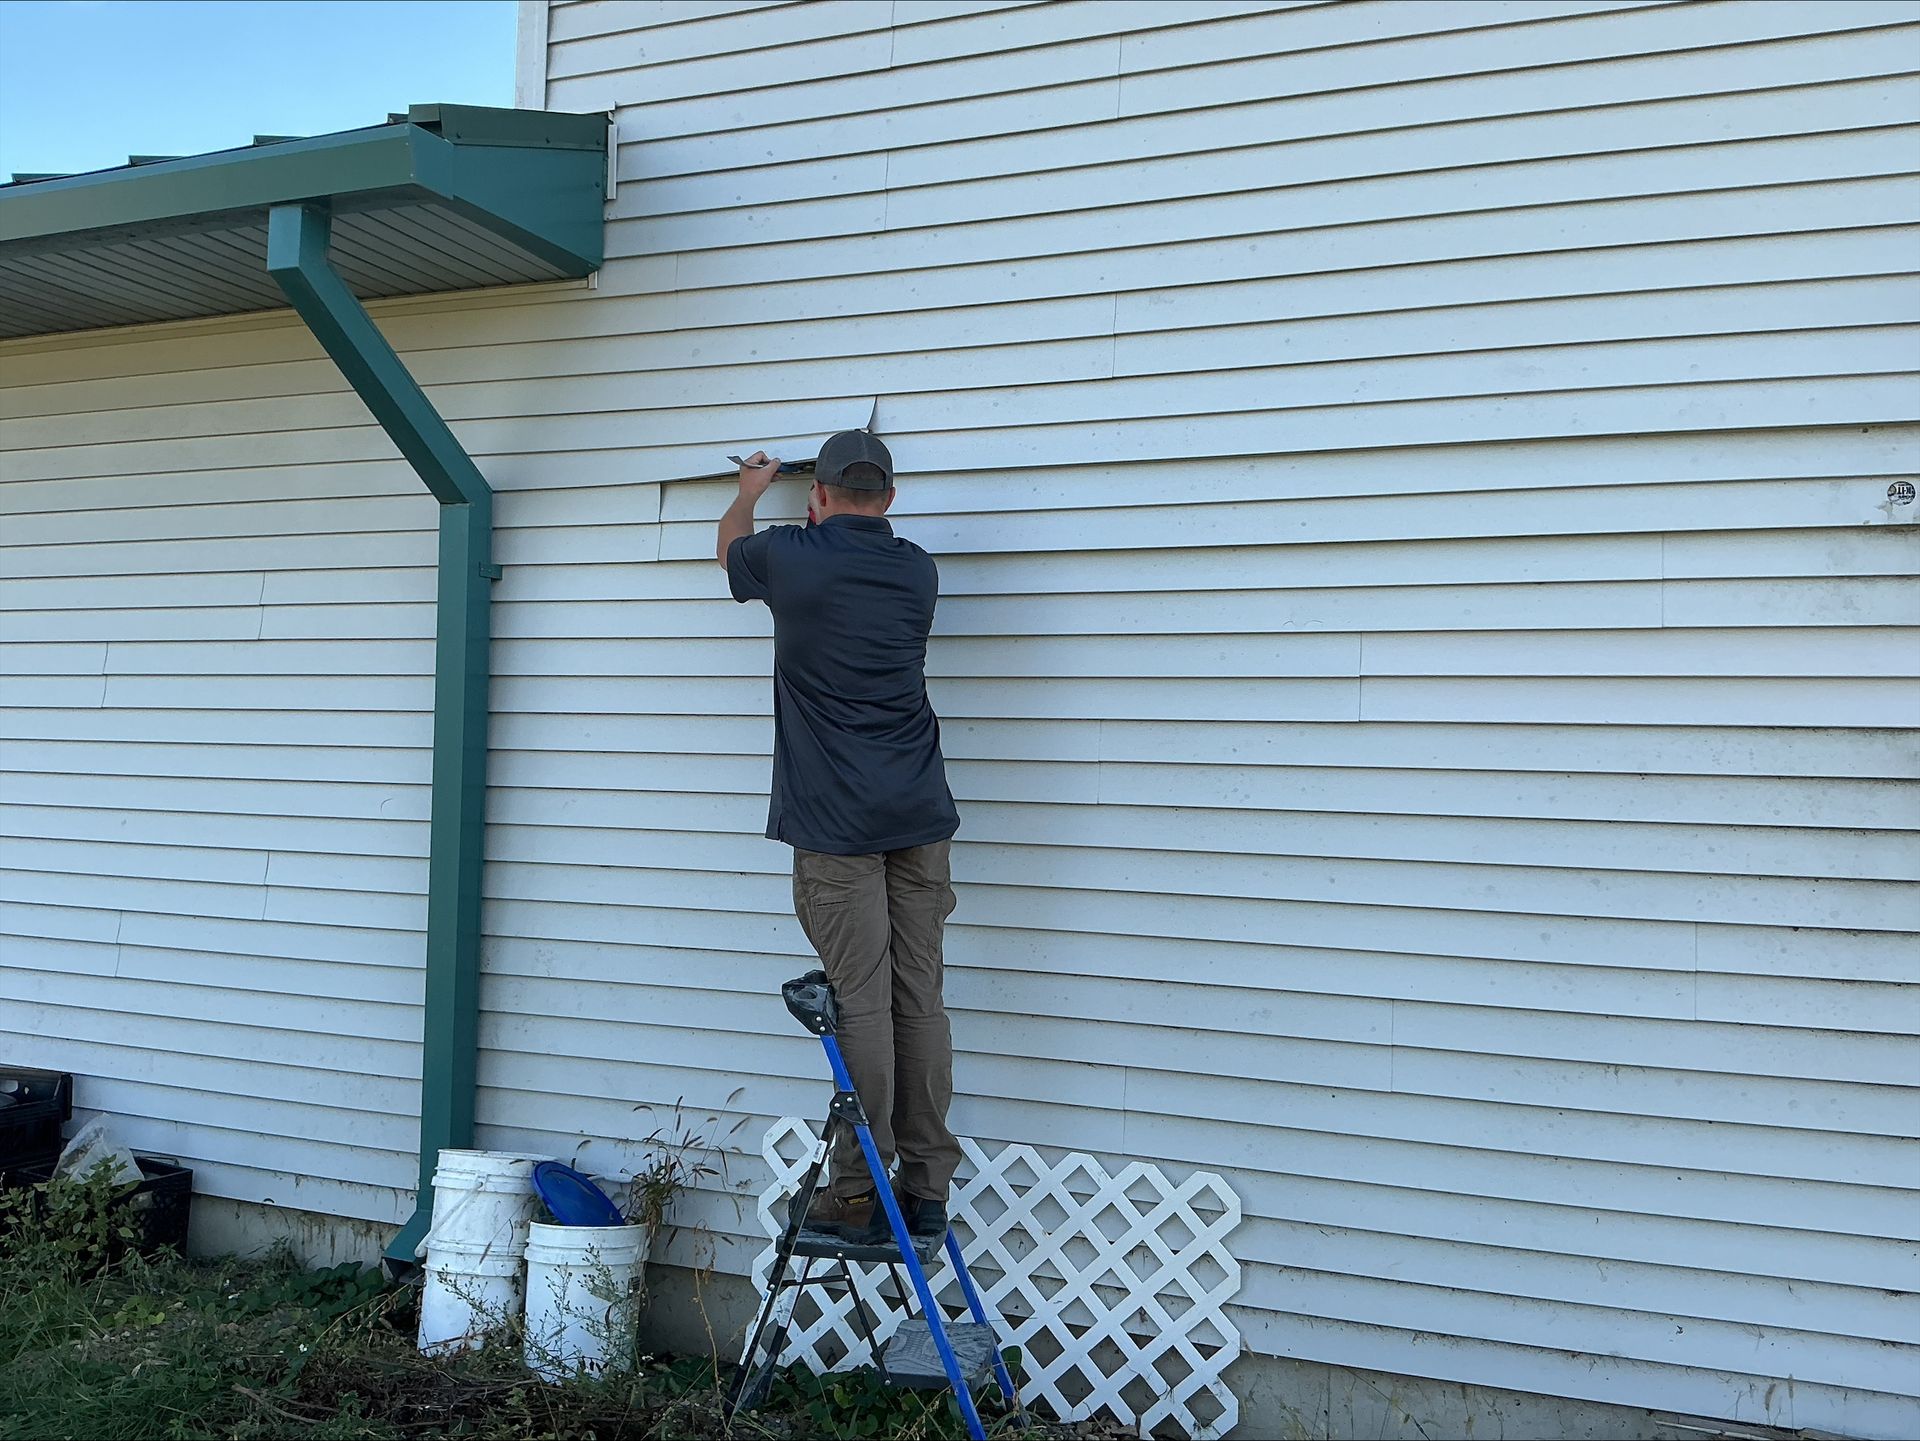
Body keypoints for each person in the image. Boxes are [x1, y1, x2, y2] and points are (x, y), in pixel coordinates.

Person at [717, 430, 963, 1243]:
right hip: (920, 813)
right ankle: (926, 1187)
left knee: (860, 998)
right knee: (917, 995)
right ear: (889, 499)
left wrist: (753, 489)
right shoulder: (917, 569)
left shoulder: (791, 556)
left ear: (816, 495)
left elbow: (730, 554)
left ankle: (856, 1192)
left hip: (836, 823)